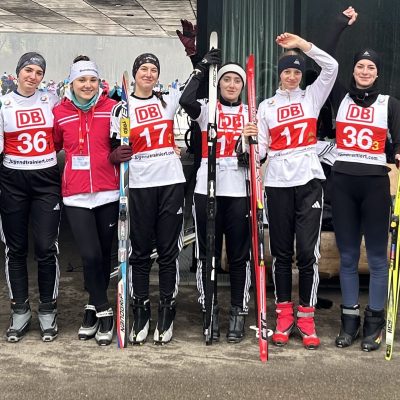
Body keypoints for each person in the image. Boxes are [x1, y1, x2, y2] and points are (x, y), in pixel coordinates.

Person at [254, 33, 338, 349]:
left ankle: (306, 315)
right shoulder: (266, 107)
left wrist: (304, 47)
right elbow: (260, 149)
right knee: (281, 253)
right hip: (276, 183)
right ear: (279, 74)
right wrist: (247, 142)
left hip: (308, 183)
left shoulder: (311, 98)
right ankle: (284, 314)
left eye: (297, 72)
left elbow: (331, 67)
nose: (291, 77)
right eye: (287, 72)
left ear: (302, 76)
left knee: (306, 252)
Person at [110, 53, 185, 345]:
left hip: (170, 181)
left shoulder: (167, 101)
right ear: (135, 73)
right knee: (139, 251)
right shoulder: (123, 109)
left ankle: (167, 308)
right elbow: (115, 145)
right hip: (139, 184)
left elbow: (197, 86)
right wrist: (115, 154)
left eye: (154, 69)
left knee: (168, 252)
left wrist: (197, 58)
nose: (149, 74)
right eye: (144, 68)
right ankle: (141, 308)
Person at [179, 48, 254, 342]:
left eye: (237, 81)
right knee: (207, 254)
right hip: (206, 188)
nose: (232, 85)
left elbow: (260, 154)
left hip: (239, 189)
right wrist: (201, 69)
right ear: (219, 84)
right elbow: (185, 100)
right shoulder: (208, 108)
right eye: (226, 80)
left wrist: (250, 145)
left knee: (238, 255)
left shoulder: (251, 113)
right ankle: (208, 309)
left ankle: (238, 310)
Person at [330, 47, 400, 351]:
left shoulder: (390, 104)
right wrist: (340, 24)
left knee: (375, 259)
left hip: (374, 185)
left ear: (377, 73)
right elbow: (328, 59)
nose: (365, 71)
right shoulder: (340, 97)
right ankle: (349, 322)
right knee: (346, 258)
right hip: (344, 182)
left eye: (371, 67)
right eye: (360, 66)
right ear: (353, 69)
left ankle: (374, 323)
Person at [53, 56, 119, 346]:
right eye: (82, 80)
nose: (88, 85)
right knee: (89, 255)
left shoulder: (112, 109)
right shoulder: (60, 112)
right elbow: (52, 146)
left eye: (92, 80)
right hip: (76, 194)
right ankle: (105, 309)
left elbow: (125, 141)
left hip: (107, 190)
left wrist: (120, 152)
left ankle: (92, 307)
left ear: (99, 83)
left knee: (104, 255)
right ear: (72, 83)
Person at [0, 52, 61, 342]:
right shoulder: (3, 104)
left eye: (38, 71)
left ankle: (48, 308)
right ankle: (20, 309)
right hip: (13, 180)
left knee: (46, 246)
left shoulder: (52, 101)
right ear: (18, 72)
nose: (33, 76)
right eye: (28, 70)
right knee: (16, 248)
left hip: (46, 181)